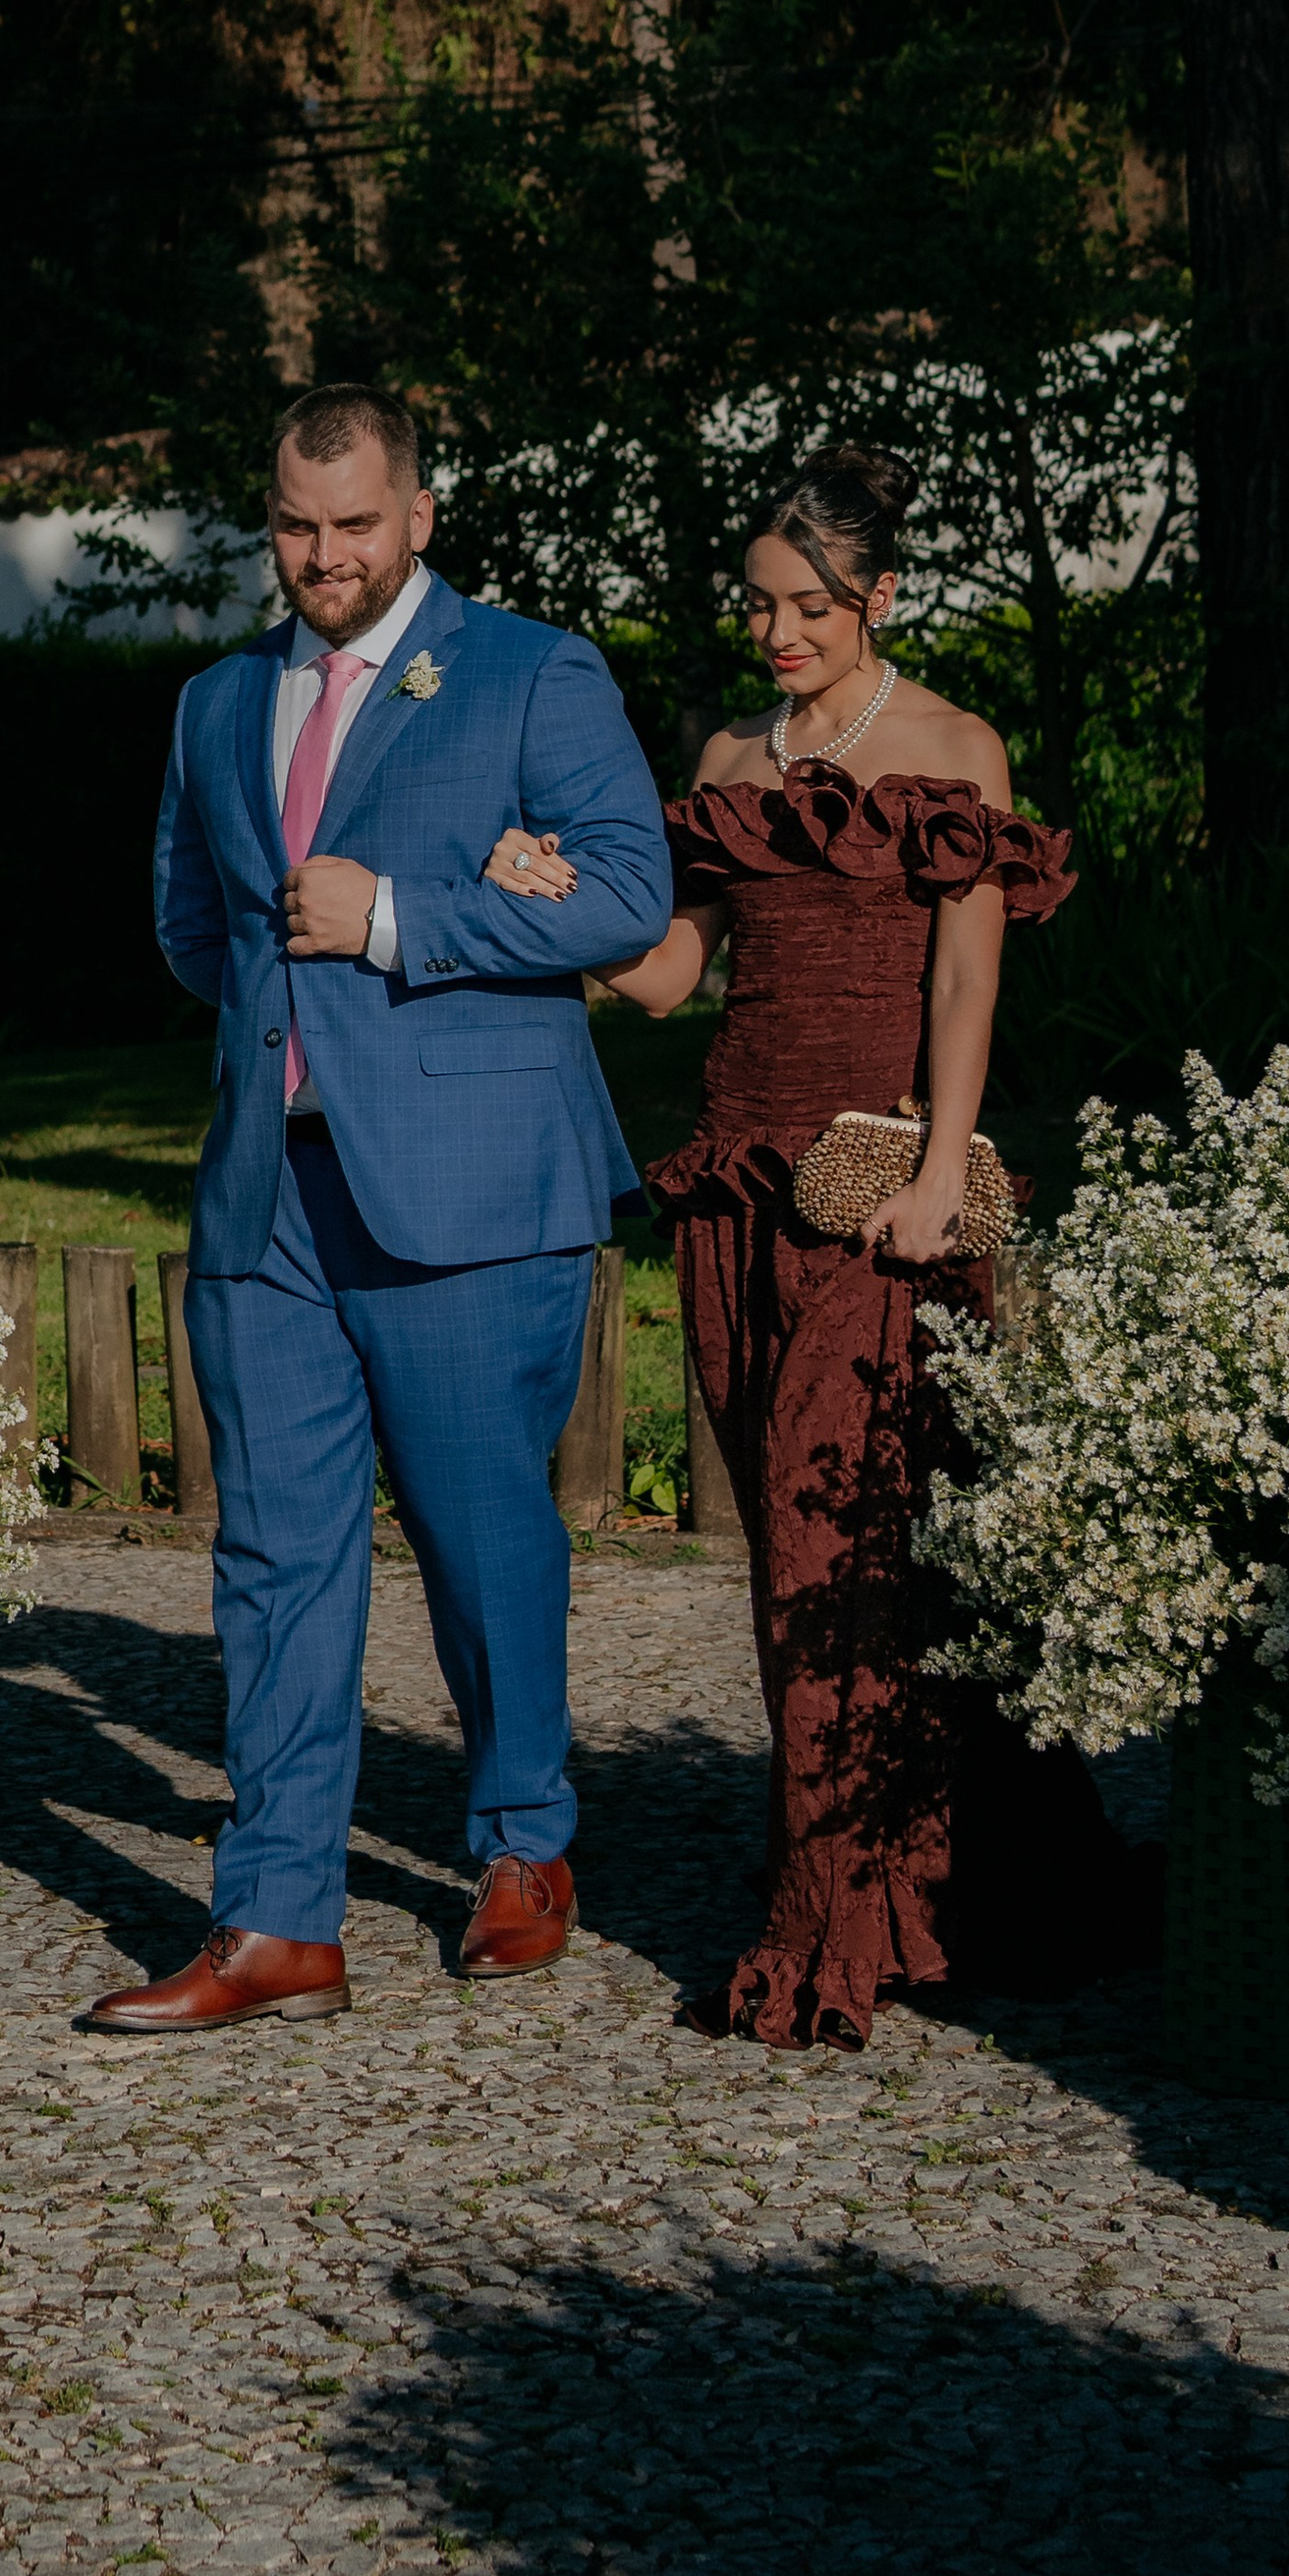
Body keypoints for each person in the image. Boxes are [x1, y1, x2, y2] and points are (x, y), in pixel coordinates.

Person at [88, 382, 674, 2040]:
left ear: (420, 514)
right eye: (294, 524)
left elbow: (631, 896)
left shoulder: (530, 670)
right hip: (268, 1192)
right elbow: (192, 925)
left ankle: (520, 1844)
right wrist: (292, 1034)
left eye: (355, 523)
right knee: (272, 1555)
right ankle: (278, 1917)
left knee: (484, 1539)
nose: (324, 555)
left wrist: (407, 918)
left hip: (474, 1191)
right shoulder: (214, 703)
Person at [489, 448, 1083, 2049]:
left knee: (853, 1561)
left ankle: (837, 1929)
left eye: (808, 606)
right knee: (796, 1561)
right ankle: (902, 1882)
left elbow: (968, 988)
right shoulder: (731, 757)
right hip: (739, 1201)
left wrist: (946, 1173)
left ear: (877, 597)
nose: (777, 634)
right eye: (760, 606)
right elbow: (671, 976)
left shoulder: (959, 748)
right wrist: (555, 902)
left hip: (889, 1204)